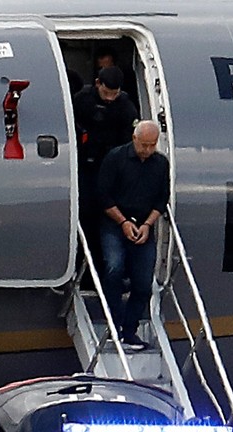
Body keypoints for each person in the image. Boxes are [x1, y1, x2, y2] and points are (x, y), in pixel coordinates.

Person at [97, 120, 169, 351]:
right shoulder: (115, 158)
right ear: (134, 138)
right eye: (144, 145)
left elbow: (162, 199)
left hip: (143, 225)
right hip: (115, 222)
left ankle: (130, 330)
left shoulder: (160, 164)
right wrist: (124, 222)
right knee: (114, 268)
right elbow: (103, 197)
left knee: (143, 284)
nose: (148, 150)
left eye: (152, 145)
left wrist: (148, 225)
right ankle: (113, 324)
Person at [72, 65, 139, 277]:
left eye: (114, 94)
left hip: (110, 170)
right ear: (98, 84)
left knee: (107, 219)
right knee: (84, 215)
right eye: (106, 93)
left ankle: (102, 272)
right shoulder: (81, 100)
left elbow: (130, 142)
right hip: (85, 167)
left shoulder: (126, 107)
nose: (110, 98)